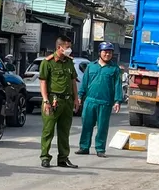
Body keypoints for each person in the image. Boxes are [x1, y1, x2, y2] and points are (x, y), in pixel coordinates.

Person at [38, 33, 81, 168]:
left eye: (70, 46)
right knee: (48, 130)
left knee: (64, 131)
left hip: (67, 101)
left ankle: (63, 158)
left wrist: (76, 99)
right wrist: (45, 100)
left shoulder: (69, 62)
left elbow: (73, 81)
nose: (69, 49)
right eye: (67, 47)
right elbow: (43, 82)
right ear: (59, 47)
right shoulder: (48, 62)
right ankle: (45, 157)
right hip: (53, 100)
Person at [77, 42, 124, 158]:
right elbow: (84, 82)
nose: (108, 54)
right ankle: (84, 147)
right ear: (100, 53)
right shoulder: (91, 66)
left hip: (105, 102)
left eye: (110, 52)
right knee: (87, 125)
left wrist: (117, 101)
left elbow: (118, 85)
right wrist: (79, 96)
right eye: (105, 52)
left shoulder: (114, 69)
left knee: (102, 127)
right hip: (90, 101)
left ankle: (100, 149)